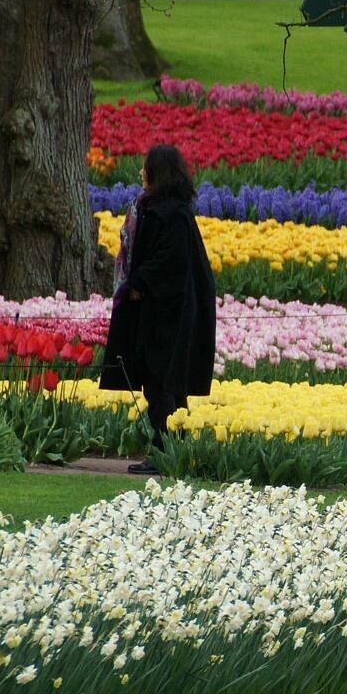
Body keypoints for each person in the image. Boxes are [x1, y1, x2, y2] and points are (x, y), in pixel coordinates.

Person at [100, 144, 217, 474]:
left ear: (158, 173)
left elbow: (171, 261)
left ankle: (165, 453)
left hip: (171, 315)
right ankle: (169, 452)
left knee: (162, 382)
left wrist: (137, 283)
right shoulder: (156, 209)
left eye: (145, 168)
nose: (141, 173)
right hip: (157, 310)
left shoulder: (173, 215)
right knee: (159, 381)